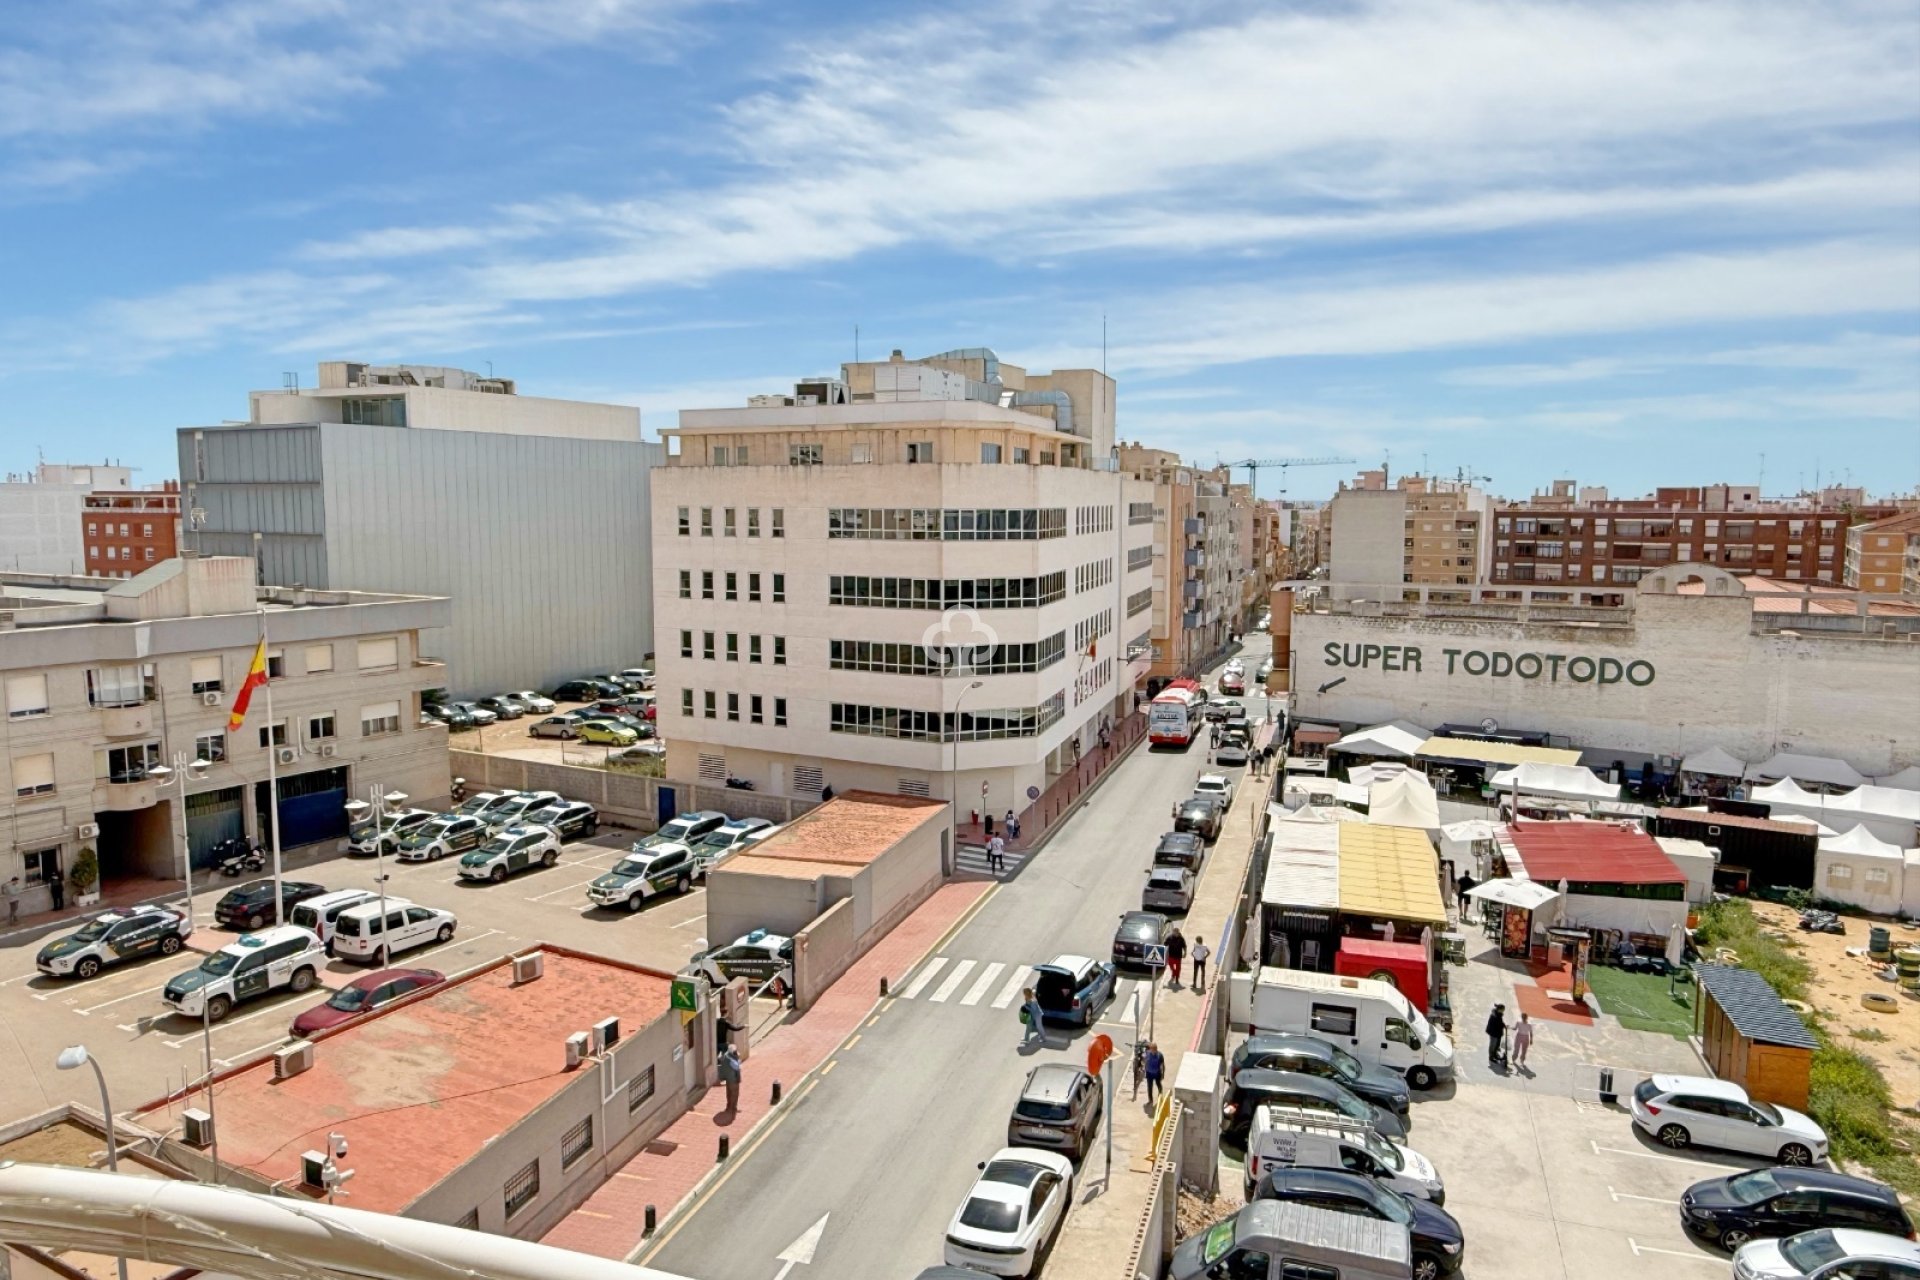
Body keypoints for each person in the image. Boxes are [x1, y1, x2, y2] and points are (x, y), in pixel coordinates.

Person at [717, 1044, 742, 1114]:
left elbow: (720, 1058)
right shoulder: (731, 1060)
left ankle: (728, 1106)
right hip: (733, 1079)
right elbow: (737, 1067)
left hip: (728, 1078)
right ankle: (733, 1107)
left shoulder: (725, 1055)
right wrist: (738, 1059)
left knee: (729, 1093)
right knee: (735, 1093)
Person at [1484, 1002, 1507, 1070]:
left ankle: (1494, 1054)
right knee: (1493, 1045)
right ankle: (1491, 1057)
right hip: (1494, 1033)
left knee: (1497, 1044)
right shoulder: (1495, 1016)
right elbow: (1497, 1024)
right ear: (1499, 1009)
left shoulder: (1498, 1014)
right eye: (1503, 1010)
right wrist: (1502, 1026)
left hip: (1497, 1033)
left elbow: (1500, 1022)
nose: (1503, 1011)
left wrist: (1503, 1025)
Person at [1143, 1042, 1165, 1106]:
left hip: (1157, 1073)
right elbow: (1144, 1060)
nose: (1153, 1051)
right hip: (1149, 1074)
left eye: (1154, 1049)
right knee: (1149, 1087)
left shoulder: (1160, 1055)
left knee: (1158, 1085)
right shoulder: (1147, 1053)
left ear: (1156, 1049)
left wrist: (1162, 1074)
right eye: (1152, 1049)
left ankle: (1160, 1095)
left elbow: (1162, 1065)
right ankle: (1150, 1100)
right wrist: (1144, 1068)